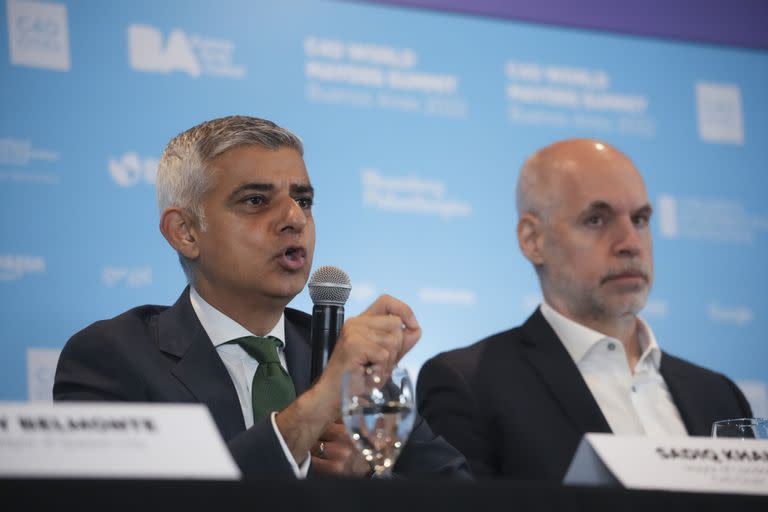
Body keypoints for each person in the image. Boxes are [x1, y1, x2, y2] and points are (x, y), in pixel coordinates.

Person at [54, 115, 470, 480]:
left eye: (303, 200)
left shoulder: (353, 362)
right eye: (255, 200)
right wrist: (319, 402)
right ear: (185, 232)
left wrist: (371, 477)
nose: (294, 218)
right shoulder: (115, 357)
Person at [416, 138, 752, 481]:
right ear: (533, 240)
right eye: (596, 220)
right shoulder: (470, 385)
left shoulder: (719, 395)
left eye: (639, 219)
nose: (630, 244)